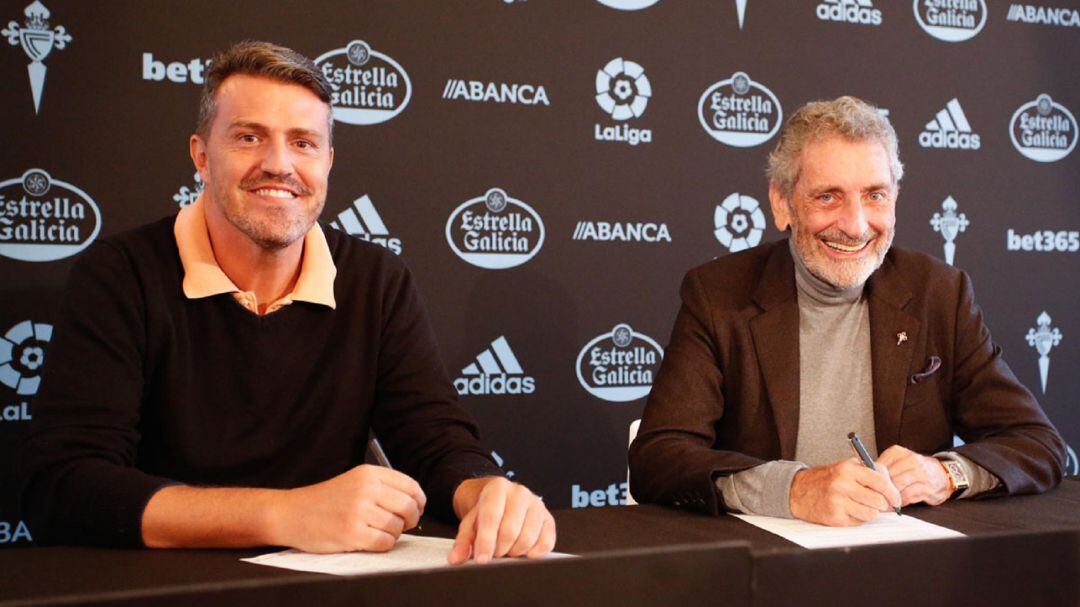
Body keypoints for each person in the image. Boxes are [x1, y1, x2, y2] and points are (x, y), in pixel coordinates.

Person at [20, 41, 555, 562]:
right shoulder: (121, 274)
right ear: (201, 156)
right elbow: (65, 487)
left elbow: (435, 442)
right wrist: (284, 514)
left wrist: (484, 492)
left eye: (303, 143)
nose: (279, 164)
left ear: (327, 161)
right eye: (249, 137)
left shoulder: (376, 280)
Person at [629, 96, 1066, 526]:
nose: (856, 225)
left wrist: (947, 473)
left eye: (874, 195)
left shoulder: (939, 293)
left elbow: (1038, 443)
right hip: (765, 570)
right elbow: (659, 456)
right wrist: (794, 490)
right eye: (828, 197)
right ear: (782, 203)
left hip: (907, 568)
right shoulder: (719, 295)